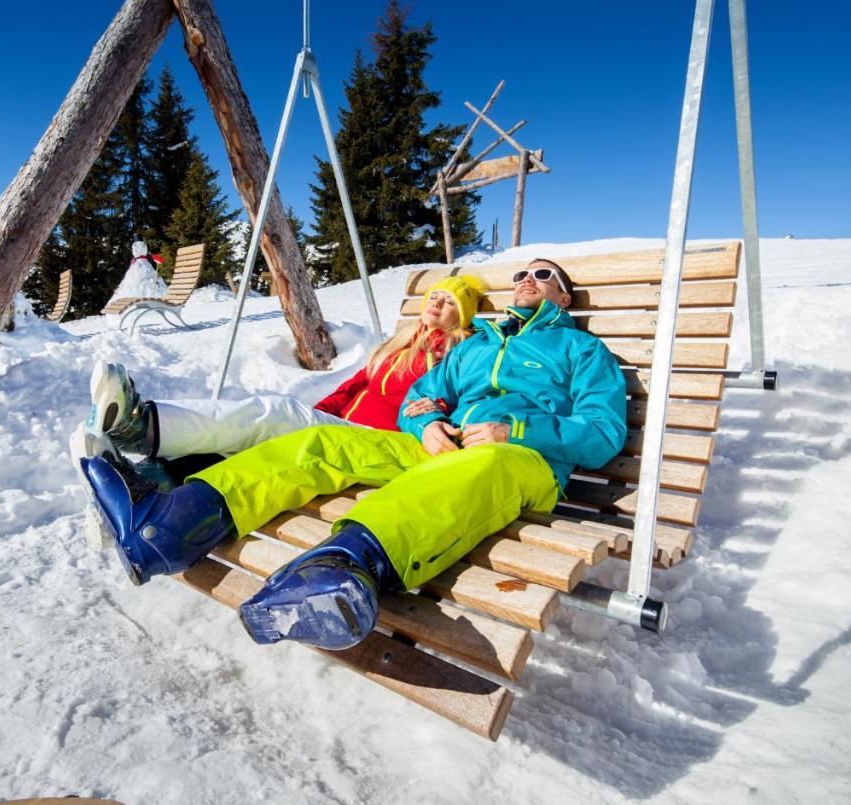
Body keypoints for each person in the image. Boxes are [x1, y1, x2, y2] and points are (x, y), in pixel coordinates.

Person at [76, 258, 628, 651]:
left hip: (521, 463)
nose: (528, 280)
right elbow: (420, 396)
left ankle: (341, 569)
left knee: (481, 465)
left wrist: (520, 428)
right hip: (437, 448)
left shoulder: (581, 349)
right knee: (323, 440)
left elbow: (604, 434)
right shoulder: (480, 346)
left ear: (564, 297)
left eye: (543, 275)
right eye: (522, 274)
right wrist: (429, 419)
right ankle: (168, 526)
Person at [70, 274, 485, 547]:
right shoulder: (397, 347)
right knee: (259, 439)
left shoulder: (457, 354)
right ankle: (142, 483)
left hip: (384, 444)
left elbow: (458, 404)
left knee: (276, 413)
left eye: (450, 302)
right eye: (436, 295)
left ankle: (138, 427)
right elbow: (350, 388)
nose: (438, 304)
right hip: (342, 431)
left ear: (461, 317)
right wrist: (313, 416)